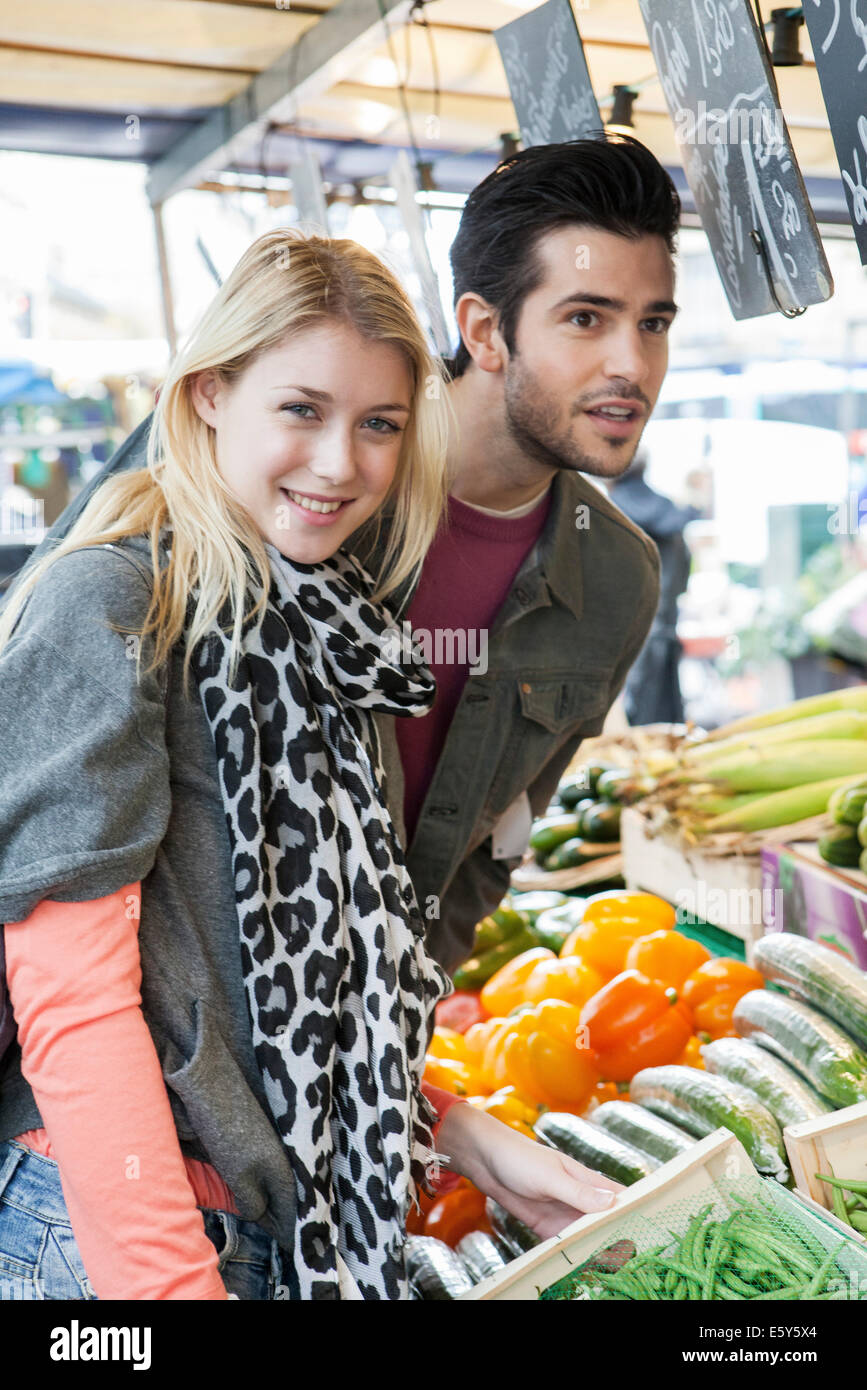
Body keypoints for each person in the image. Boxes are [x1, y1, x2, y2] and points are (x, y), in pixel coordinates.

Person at [0, 230, 620, 1303]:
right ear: (205, 395)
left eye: (378, 425)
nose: (342, 463)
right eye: (302, 409)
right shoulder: (111, 603)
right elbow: (76, 1001)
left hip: (266, 1227)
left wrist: (461, 1133)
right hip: (104, 1235)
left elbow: (282, 1001)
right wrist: (165, 1287)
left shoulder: (332, 635)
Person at [6, 133, 679, 975]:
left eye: (652, 324)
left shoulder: (617, 579)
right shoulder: (295, 470)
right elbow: (45, 694)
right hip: (162, 1030)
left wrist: (413, 999)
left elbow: (498, 839)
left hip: (364, 1051)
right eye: (586, 318)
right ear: (483, 329)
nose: (632, 365)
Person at [607, 452, 703, 726]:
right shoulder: (669, 511)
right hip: (663, 635)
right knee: (664, 730)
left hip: (621, 642)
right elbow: (683, 576)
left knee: (625, 733)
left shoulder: (607, 515)